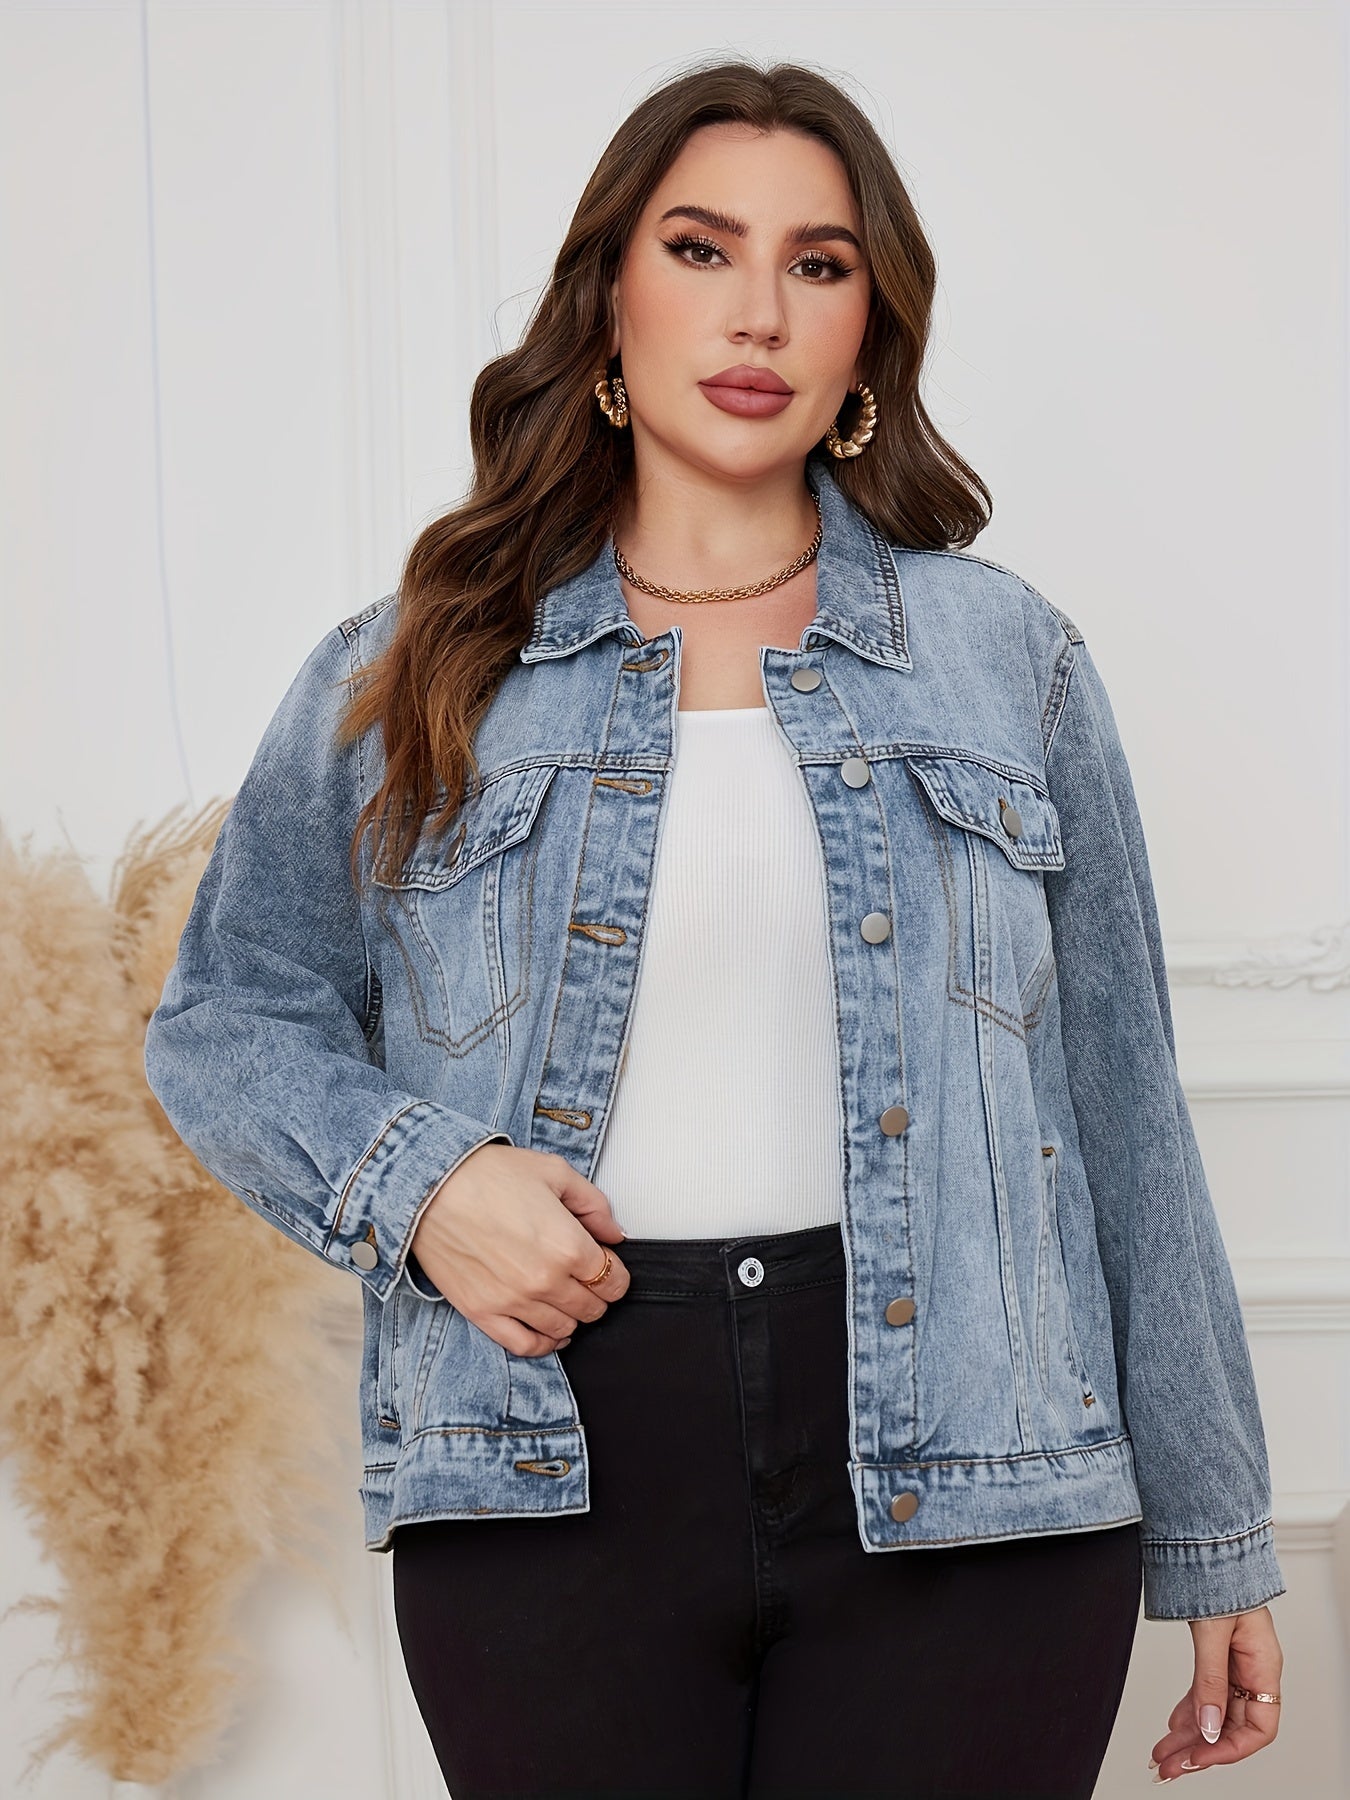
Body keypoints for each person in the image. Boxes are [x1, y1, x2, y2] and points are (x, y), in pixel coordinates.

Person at [144, 57, 1286, 1799]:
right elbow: (225, 1016)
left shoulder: (1006, 661)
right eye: (700, 249)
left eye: (818, 265)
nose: (758, 312)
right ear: (608, 298)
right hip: (547, 1466)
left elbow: (1124, 1114)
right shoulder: (413, 666)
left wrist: (1214, 1529)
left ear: (867, 331)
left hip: (974, 1476)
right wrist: (427, 1188)